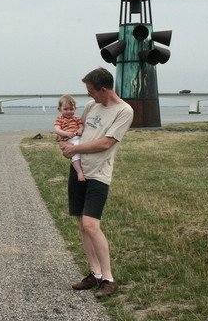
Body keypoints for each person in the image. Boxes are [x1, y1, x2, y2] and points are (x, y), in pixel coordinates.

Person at [59, 67, 133, 298]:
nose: (89, 96)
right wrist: (63, 137)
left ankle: (109, 279)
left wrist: (75, 148)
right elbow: (78, 129)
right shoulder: (92, 106)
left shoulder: (124, 111)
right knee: (82, 225)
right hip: (79, 171)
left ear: (103, 89)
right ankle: (95, 274)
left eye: (91, 91)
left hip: (99, 174)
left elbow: (105, 143)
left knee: (92, 225)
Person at [54, 95, 85, 182]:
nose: (69, 111)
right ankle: (79, 172)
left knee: (83, 150)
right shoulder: (59, 119)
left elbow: (81, 126)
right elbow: (57, 129)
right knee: (74, 155)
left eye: (71, 109)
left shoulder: (76, 119)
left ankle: (84, 168)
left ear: (75, 109)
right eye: (66, 109)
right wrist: (66, 133)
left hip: (78, 138)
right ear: (59, 109)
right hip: (69, 140)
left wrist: (80, 130)